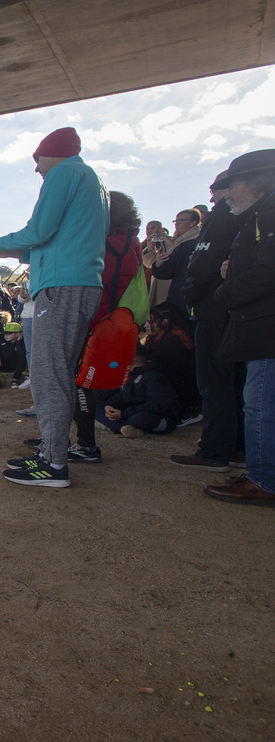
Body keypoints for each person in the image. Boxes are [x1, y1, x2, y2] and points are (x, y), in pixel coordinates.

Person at [0, 126, 109, 487]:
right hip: (77, 284)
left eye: (37, 160)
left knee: (48, 375)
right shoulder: (91, 181)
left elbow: (39, 230)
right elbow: (53, 240)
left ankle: (53, 465)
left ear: (54, 153)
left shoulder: (65, 172)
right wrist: (7, 249)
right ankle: (52, 452)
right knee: (57, 373)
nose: (37, 169)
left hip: (62, 287)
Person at [203, 149, 275, 506]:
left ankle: (264, 480)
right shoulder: (260, 215)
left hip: (266, 328)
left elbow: (269, 271)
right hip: (261, 323)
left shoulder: (270, 211)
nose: (227, 193)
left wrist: (224, 291)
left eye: (234, 185)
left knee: (261, 404)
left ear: (260, 182)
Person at [172, 171, 247, 472]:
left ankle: (214, 450)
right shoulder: (254, 217)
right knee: (238, 384)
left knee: (215, 384)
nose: (212, 197)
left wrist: (190, 296)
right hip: (238, 312)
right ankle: (238, 449)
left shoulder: (222, 218)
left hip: (213, 311)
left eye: (216, 190)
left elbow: (202, 266)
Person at [68, 190, 146, 463]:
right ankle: (76, 441)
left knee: (78, 383)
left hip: (95, 323)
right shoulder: (131, 243)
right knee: (81, 384)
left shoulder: (108, 245)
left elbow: (94, 284)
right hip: (113, 322)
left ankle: (86, 445)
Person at [94, 350, 180, 438]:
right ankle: (121, 429)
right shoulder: (129, 375)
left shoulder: (154, 376)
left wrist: (123, 414)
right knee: (95, 407)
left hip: (154, 415)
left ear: (132, 363)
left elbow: (155, 405)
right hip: (129, 411)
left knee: (141, 419)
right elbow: (121, 396)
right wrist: (109, 405)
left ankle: (115, 424)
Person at [150, 208, 202, 317]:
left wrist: (159, 265)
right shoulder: (181, 240)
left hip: (184, 295)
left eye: (181, 221)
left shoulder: (192, 243)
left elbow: (171, 269)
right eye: (176, 221)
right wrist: (158, 263)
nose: (177, 224)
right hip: (181, 293)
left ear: (193, 223)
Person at [0, 322, 27, 389]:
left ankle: (14, 380)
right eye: (5, 333)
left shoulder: (22, 342)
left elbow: (21, 354)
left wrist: (18, 342)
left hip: (13, 365)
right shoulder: (1, 340)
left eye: (9, 334)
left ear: (17, 334)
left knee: (22, 359)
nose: (6, 336)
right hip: (1, 363)